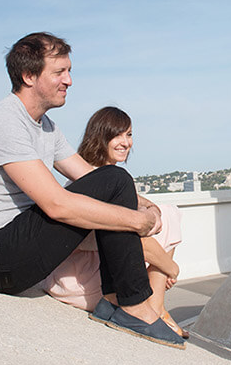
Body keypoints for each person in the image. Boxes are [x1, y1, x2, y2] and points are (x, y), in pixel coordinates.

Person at [0, 32, 185, 349]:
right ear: (28, 75)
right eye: (59, 72)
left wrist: (148, 207)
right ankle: (134, 306)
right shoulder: (3, 120)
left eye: (69, 71)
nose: (69, 80)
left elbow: (90, 176)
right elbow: (57, 204)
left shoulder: (46, 126)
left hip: (17, 246)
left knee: (115, 179)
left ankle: (117, 300)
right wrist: (135, 221)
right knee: (114, 181)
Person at [43, 106, 188, 338]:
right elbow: (129, 236)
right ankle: (155, 307)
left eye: (129, 134)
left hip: (92, 274)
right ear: (100, 137)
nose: (126, 142)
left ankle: (157, 306)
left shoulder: (105, 177)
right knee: (154, 224)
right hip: (77, 282)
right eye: (117, 135)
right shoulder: (93, 182)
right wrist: (170, 268)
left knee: (166, 213)